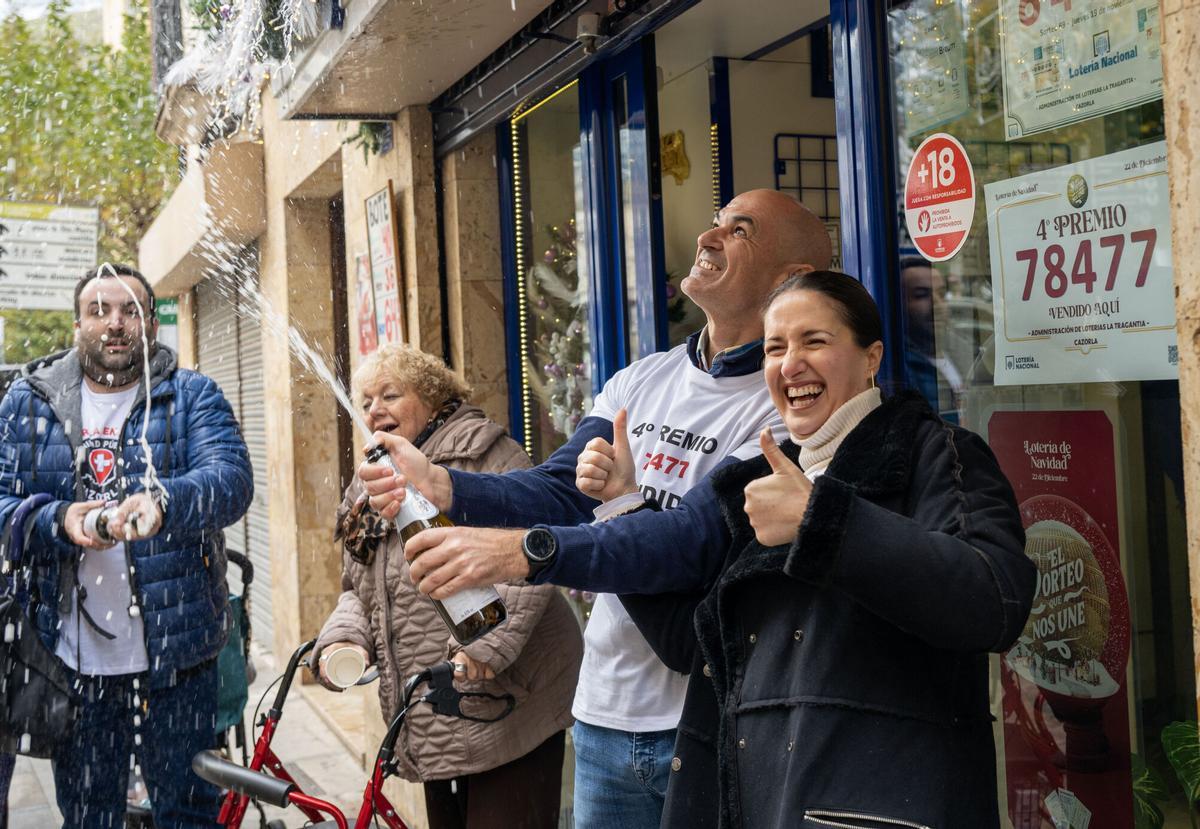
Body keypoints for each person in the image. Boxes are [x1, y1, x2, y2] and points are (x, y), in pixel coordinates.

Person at [399, 271, 1037, 827]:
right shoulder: (754, 475)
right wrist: (617, 508)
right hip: (762, 801)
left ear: (870, 358)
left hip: (887, 804)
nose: (791, 364)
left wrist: (823, 520)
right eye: (777, 347)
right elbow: (683, 624)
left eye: (815, 341)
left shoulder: (936, 452)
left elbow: (993, 601)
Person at [360, 190, 831, 829]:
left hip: (710, 724)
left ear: (789, 279)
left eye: (738, 231)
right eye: (715, 221)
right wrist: (443, 485)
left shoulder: (788, 408)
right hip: (603, 714)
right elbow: (559, 489)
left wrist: (524, 551)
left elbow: (688, 543)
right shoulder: (643, 378)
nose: (708, 238)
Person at [0, 263, 254, 828]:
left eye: (130, 311)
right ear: (77, 325)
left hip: (179, 662)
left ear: (151, 326)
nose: (115, 324)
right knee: (90, 816)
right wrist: (56, 519)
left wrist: (165, 502)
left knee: (187, 814)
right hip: (73, 664)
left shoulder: (191, 396)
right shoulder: (29, 402)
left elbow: (232, 482)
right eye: (99, 311)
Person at [312, 343, 582, 829]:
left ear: (433, 398)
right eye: (368, 398)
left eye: (390, 395)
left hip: (512, 698)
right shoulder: (371, 479)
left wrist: (484, 648)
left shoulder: (483, 453)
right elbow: (357, 586)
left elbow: (536, 552)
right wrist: (344, 639)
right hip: (437, 709)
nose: (375, 409)